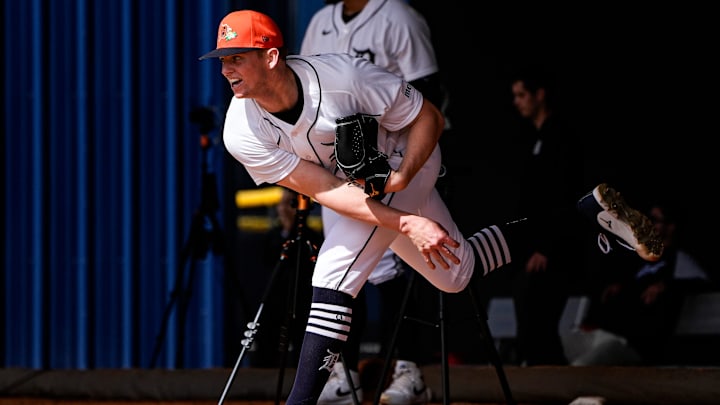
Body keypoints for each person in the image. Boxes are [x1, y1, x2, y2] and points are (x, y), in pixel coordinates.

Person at [198, 10, 659, 404]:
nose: (227, 70)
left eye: (237, 58)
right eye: (222, 60)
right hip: (350, 188)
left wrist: (401, 180)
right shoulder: (241, 131)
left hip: (405, 160)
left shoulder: (342, 76)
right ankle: (580, 215)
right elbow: (323, 191)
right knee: (456, 274)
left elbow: (429, 118)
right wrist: (406, 222)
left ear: (271, 56)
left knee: (333, 276)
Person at [299, 1, 445, 403]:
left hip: (390, 164)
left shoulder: (397, 16)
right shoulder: (319, 22)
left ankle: (410, 370)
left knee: (398, 268)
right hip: (337, 167)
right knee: (343, 271)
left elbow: (430, 97)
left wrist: (409, 168)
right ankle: (343, 375)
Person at [499, 65, 587, 365]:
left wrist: (545, 247)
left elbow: (563, 196)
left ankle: (550, 382)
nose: (517, 102)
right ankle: (537, 379)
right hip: (532, 246)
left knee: (540, 320)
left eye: (522, 95)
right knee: (528, 316)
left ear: (540, 94)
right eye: (515, 96)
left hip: (554, 249)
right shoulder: (532, 139)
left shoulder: (559, 138)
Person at [564, 198, 710, 366]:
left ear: (670, 226)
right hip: (604, 332)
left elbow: (701, 282)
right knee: (549, 354)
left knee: (579, 367)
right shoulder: (638, 258)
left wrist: (665, 286)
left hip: (631, 344)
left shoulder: (676, 258)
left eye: (655, 220)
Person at [248, 187, 324, 368]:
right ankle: (263, 378)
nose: (283, 209)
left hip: (302, 297)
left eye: (289, 204)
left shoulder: (310, 237)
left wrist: (293, 228)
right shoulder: (272, 236)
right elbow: (267, 262)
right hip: (276, 297)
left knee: (302, 338)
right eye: (281, 204)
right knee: (268, 336)